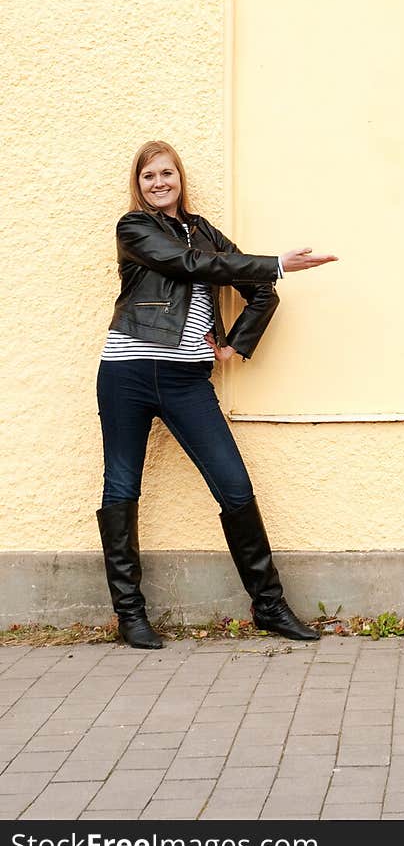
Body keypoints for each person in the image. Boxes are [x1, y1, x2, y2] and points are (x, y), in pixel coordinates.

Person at [96, 140, 337, 650]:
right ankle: (130, 616)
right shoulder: (134, 228)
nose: (159, 183)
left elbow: (258, 290)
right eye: (148, 177)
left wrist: (234, 344)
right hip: (128, 372)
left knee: (235, 487)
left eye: (166, 174)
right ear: (137, 186)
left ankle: (269, 607)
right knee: (122, 487)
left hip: (187, 382)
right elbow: (189, 265)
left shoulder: (204, 231)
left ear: (180, 177)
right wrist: (272, 261)